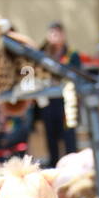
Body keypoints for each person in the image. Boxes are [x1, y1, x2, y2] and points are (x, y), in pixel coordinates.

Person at [36, 22, 81, 165]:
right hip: (48, 100)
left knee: (69, 133)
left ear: (63, 35)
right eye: (52, 33)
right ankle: (54, 164)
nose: (55, 37)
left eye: (58, 33)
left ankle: (73, 164)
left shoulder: (71, 54)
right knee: (51, 134)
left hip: (67, 99)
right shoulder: (42, 53)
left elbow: (78, 73)